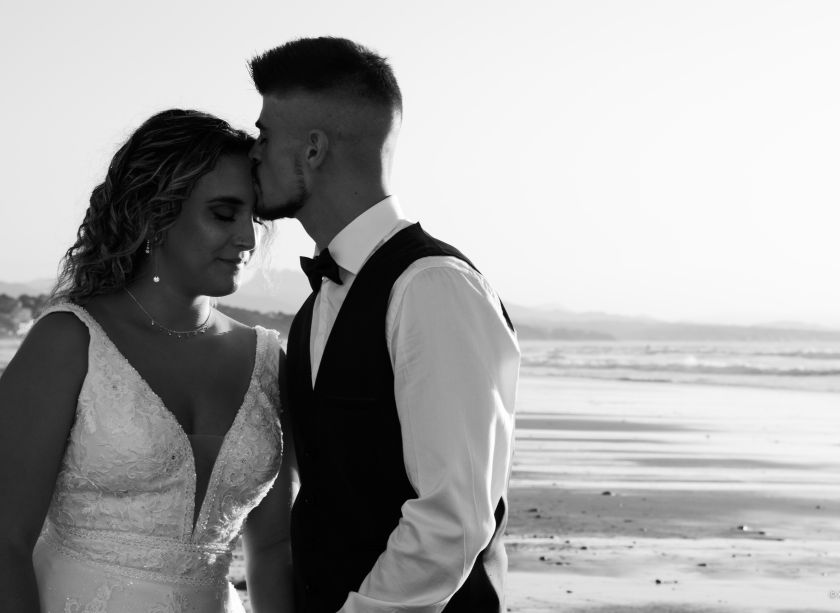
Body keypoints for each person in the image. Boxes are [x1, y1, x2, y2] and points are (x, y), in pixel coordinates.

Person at [248, 37, 520, 612]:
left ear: (313, 150)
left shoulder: (432, 287)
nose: (253, 154)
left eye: (265, 136)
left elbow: (453, 519)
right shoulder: (321, 301)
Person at [0, 109, 295, 613]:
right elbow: (4, 541)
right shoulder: (69, 341)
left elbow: (271, 549)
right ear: (156, 213)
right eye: (224, 214)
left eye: (256, 217)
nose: (248, 238)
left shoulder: (268, 359)